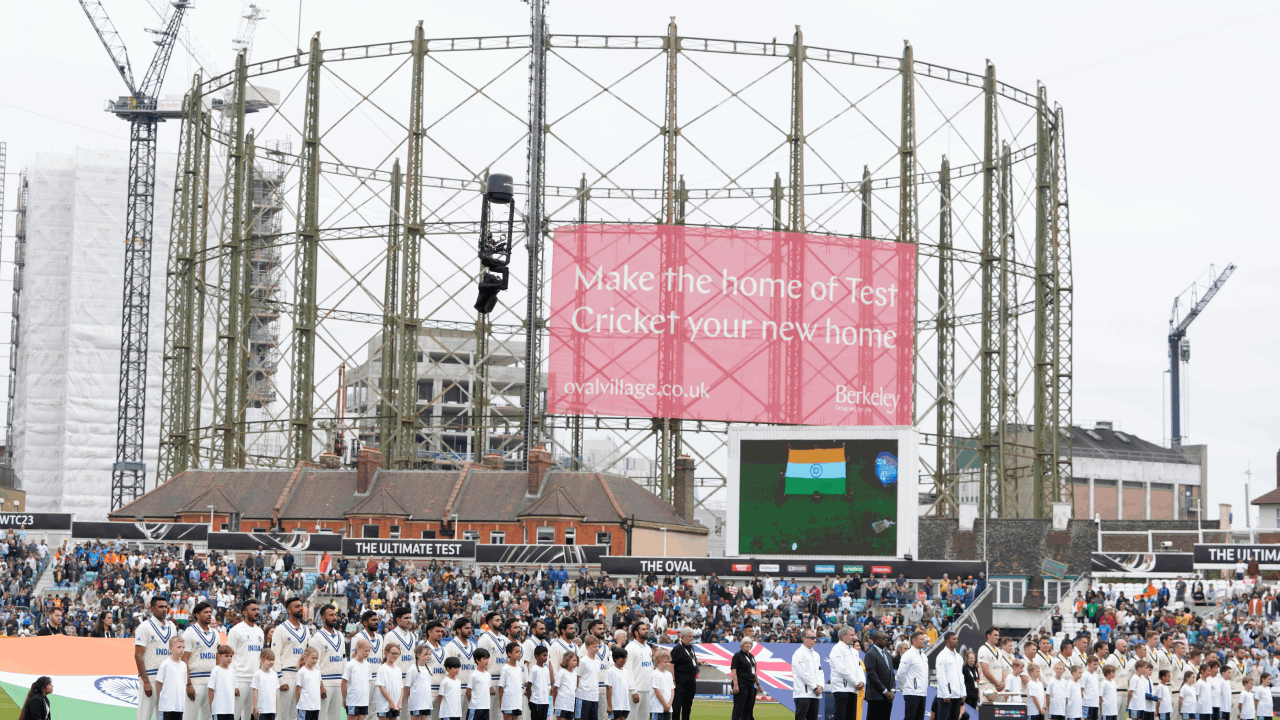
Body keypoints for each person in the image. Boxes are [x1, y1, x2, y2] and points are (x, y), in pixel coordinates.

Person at [137, 595, 179, 720]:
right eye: (160, 607)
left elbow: (175, 654)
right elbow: (138, 654)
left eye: (166, 607)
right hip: (151, 678)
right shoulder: (144, 627)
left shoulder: (172, 626)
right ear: (152, 609)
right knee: (144, 716)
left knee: (164, 717)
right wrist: (145, 682)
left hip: (167, 680)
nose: (164, 609)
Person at [269, 597, 309, 720]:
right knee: (282, 715)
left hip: (301, 676)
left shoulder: (306, 629)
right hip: (286, 674)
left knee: (295, 715)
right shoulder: (281, 629)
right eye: (296, 606)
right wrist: (280, 680)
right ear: (288, 610)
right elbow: (274, 655)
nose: (300, 609)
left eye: (301, 606)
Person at [229, 599, 265, 720]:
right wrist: (233, 682)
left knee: (250, 715)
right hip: (240, 678)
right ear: (245, 613)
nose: (257, 612)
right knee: (234, 714)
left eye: (257, 609)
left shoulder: (260, 631)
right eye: (253, 610)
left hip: (254, 679)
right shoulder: (236, 630)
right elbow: (230, 657)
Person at [182, 602, 218, 720]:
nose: (209, 615)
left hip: (211, 681)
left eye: (210, 612)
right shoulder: (189, 633)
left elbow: (218, 658)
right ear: (197, 615)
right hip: (195, 681)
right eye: (206, 612)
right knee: (189, 716)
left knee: (208, 717)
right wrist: (188, 684)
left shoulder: (215, 633)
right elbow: (184, 659)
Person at [832, 627, 866, 720]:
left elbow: (859, 668)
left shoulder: (854, 651)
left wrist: (862, 682)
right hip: (841, 689)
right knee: (840, 717)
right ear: (843, 636)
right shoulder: (837, 649)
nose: (854, 637)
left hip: (853, 689)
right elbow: (841, 670)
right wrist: (856, 683)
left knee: (851, 717)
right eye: (852, 635)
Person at [792, 629, 824, 720]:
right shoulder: (798, 654)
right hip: (803, 694)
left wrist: (821, 686)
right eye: (812, 638)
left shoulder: (816, 654)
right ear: (804, 638)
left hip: (815, 694)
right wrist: (815, 687)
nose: (815, 640)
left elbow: (820, 672)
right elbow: (803, 673)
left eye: (815, 638)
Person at [624, 622, 654, 720]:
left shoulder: (648, 647)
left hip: (647, 690)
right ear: (636, 633)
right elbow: (628, 671)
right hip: (635, 691)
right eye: (643, 629)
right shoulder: (630, 648)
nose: (646, 631)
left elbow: (650, 669)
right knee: (631, 718)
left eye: (647, 629)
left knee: (644, 718)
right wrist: (633, 691)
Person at [155, 636, 190, 720]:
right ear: (170, 649)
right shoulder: (165, 664)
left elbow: (183, 684)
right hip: (167, 707)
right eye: (179, 647)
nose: (182, 649)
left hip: (179, 706)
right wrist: (162, 699)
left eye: (183, 647)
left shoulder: (184, 665)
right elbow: (158, 683)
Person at [865, 632, 897, 720]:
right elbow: (872, 675)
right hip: (876, 697)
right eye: (883, 638)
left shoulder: (887, 654)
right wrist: (885, 691)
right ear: (875, 640)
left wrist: (893, 691)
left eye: (886, 638)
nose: (885, 640)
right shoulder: (870, 654)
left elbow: (892, 674)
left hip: (888, 697)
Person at [669, 629, 699, 720]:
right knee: (676, 708)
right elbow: (671, 665)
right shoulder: (677, 649)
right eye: (689, 636)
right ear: (683, 637)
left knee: (687, 707)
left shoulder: (691, 647)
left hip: (691, 682)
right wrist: (673, 680)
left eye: (692, 636)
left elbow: (690, 660)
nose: (691, 638)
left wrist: (698, 663)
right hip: (679, 682)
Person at [898, 631, 929, 720]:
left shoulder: (924, 656)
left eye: (924, 639)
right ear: (914, 641)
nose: (924, 641)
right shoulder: (908, 655)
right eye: (921, 639)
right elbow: (900, 673)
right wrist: (903, 687)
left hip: (922, 693)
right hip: (911, 692)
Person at [343, 638, 374, 720]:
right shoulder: (350, 665)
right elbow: (343, 683)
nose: (367, 653)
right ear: (358, 649)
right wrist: (344, 698)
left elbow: (368, 683)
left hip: (364, 701)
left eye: (369, 651)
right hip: (352, 701)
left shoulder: (368, 666)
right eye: (365, 651)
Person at [577, 635, 604, 720]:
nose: (596, 648)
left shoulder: (598, 662)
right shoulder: (582, 661)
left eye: (597, 646)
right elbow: (577, 677)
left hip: (594, 696)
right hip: (582, 696)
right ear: (587, 647)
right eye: (594, 646)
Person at [730, 638, 758, 720]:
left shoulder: (752, 656)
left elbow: (755, 672)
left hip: (751, 685)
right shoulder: (737, 656)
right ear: (742, 645)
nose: (748, 645)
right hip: (741, 684)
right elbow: (734, 671)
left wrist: (758, 684)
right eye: (746, 643)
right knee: (738, 709)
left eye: (750, 643)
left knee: (749, 709)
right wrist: (735, 685)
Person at [209, 644, 238, 720]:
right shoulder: (216, 670)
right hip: (218, 710)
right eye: (226, 656)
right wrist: (210, 706)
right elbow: (210, 690)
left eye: (231, 656)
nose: (229, 658)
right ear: (219, 656)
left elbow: (235, 689)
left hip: (230, 710)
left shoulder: (233, 672)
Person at [406, 644, 436, 719]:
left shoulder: (429, 669)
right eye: (426, 654)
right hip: (416, 703)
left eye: (429, 654)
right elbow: (406, 688)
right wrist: (410, 701)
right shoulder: (412, 669)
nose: (428, 656)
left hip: (426, 703)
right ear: (418, 655)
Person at [378, 644, 405, 719]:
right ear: (386, 653)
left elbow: (401, 688)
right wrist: (391, 702)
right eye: (393, 653)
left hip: (395, 705)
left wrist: (400, 702)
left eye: (397, 654)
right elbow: (381, 687)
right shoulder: (382, 669)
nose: (395, 656)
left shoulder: (398, 669)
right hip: (384, 705)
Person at [296, 647, 323, 720]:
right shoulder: (301, 672)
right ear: (305, 657)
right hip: (304, 707)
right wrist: (299, 705)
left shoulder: (317, 673)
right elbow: (297, 690)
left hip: (316, 707)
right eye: (313, 658)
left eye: (316, 658)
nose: (315, 660)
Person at [250, 648, 277, 720]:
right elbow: (255, 692)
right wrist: (254, 708)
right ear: (262, 660)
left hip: (271, 710)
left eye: (273, 660)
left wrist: (276, 708)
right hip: (261, 711)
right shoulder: (257, 674)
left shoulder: (274, 675)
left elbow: (275, 693)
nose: (271, 662)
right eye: (269, 660)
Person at [605, 649, 630, 720]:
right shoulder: (611, 671)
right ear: (615, 658)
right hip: (615, 705)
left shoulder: (626, 672)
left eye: (625, 657)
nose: (624, 659)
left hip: (625, 705)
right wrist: (609, 705)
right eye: (622, 658)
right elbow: (608, 688)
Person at [529, 646, 551, 720]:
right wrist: (530, 700)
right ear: (537, 657)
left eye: (546, 655)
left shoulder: (546, 669)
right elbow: (529, 685)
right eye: (544, 655)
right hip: (536, 701)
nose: (546, 657)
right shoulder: (534, 669)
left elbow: (547, 684)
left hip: (545, 701)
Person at [650, 650, 673, 720]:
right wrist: (665, 705)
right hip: (657, 708)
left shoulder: (669, 674)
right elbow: (657, 691)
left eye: (668, 662)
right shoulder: (655, 674)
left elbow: (672, 690)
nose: (667, 664)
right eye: (665, 662)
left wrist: (669, 704)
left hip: (668, 708)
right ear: (658, 662)